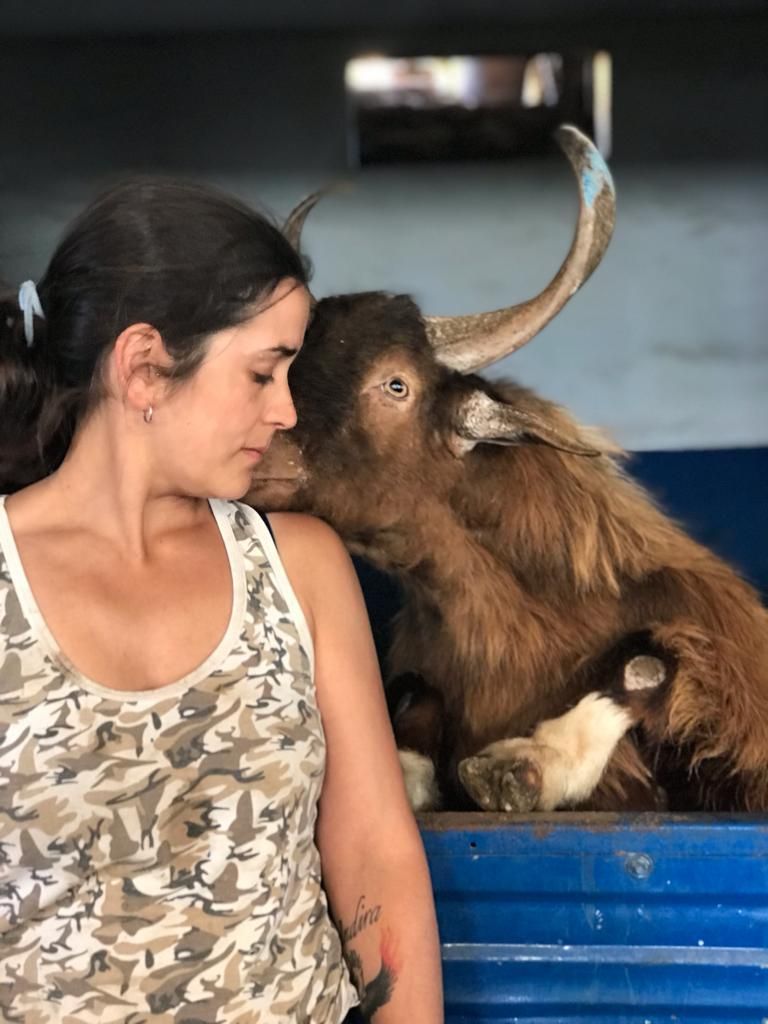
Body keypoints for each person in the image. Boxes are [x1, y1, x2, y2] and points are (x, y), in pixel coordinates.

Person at [0, 179, 443, 1023]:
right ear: (143, 368)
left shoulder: (297, 567)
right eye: (263, 373)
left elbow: (375, 852)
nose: (284, 412)